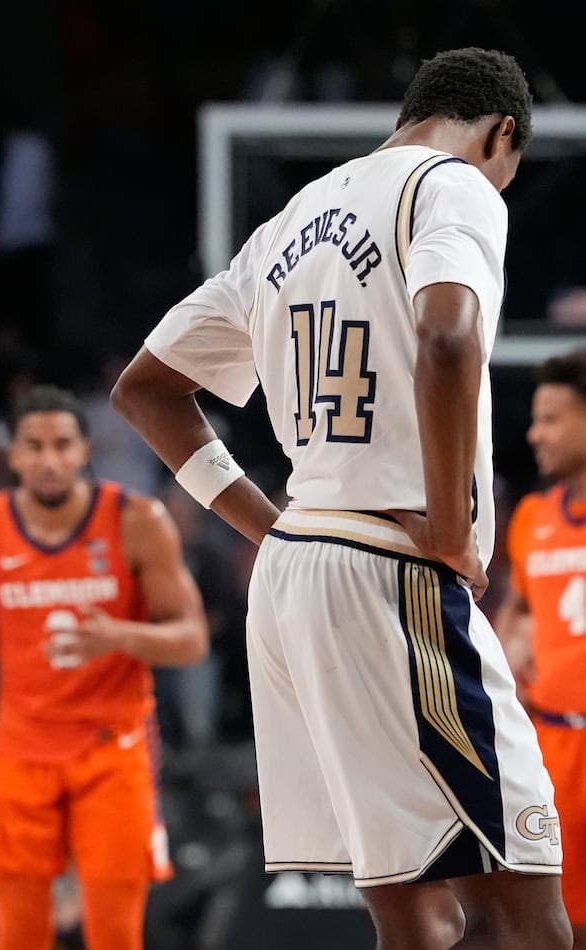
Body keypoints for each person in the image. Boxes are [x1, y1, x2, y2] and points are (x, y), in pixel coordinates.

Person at [110, 47, 573, 949]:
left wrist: (264, 525)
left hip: (294, 575)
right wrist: (450, 524)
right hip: (389, 568)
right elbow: (449, 337)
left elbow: (145, 388)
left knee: (414, 914)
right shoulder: (455, 185)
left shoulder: (292, 219)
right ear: (501, 134)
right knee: (529, 907)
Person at [0, 383, 208, 950]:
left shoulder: (136, 520)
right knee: (17, 936)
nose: (48, 459)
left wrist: (120, 636)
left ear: (84, 450)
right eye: (33, 446)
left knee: (115, 934)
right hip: (19, 753)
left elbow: (192, 640)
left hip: (112, 752)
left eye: (62, 444)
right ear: (11, 455)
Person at [496, 349, 586, 947]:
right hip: (554, 746)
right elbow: (521, 609)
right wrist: (511, 648)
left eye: (551, 418)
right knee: (561, 924)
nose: (534, 434)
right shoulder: (531, 517)